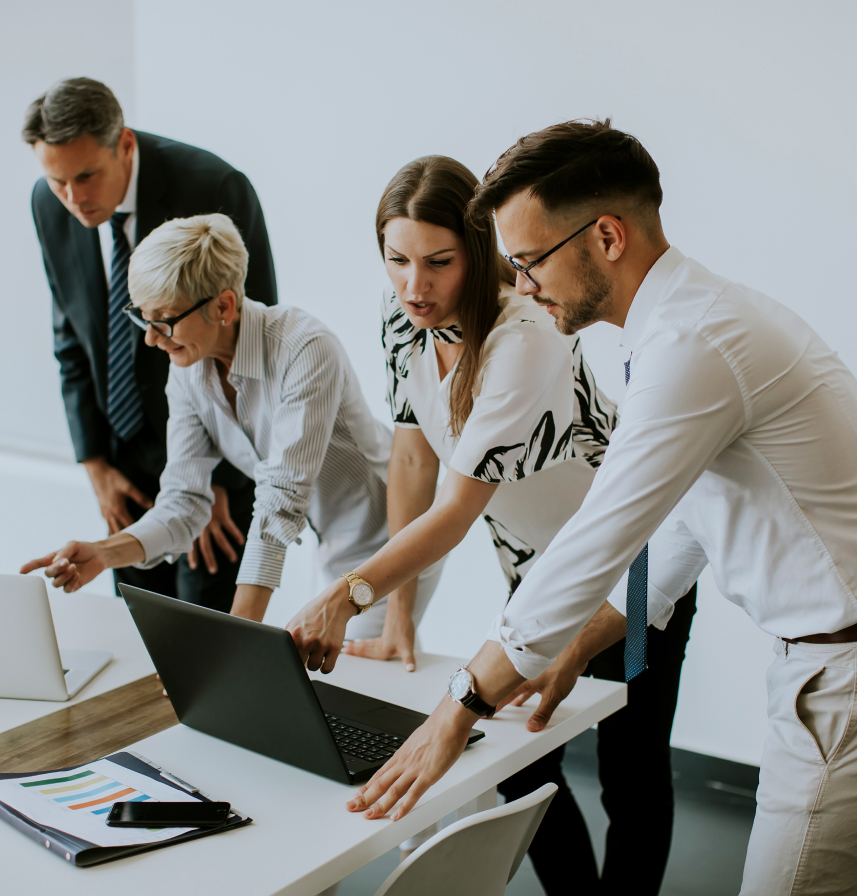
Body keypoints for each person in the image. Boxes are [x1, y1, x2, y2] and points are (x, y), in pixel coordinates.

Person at [293, 120, 857, 896]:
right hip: (803, 647)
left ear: (606, 236)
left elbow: (603, 535)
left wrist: (458, 705)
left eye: (530, 259)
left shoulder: (687, 345)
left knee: (634, 764)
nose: (525, 282)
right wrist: (583, 637)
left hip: (843, 665)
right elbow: (682, 520)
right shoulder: (684, 329)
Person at [289, 154, 697, 893]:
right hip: (537, 575)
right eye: (397, 261)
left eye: (439, 262)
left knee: (630, 768)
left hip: (637, 569)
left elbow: (452, 510)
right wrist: (398, 618)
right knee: (518, 757)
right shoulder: (405, 321)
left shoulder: (528, 337)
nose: (415, 286)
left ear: (479, 252)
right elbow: (411, 463)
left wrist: (346, 594)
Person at [20, 213, 428, 628]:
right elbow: (183, 502)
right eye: (143, 317)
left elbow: (279, 502)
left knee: (354, 678)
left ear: (223, 306)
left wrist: (232, 643)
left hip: (395, 535)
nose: (150, 337)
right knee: (332, 681)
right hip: (332, 543)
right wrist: (105, 552)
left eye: (164, 319)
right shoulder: (186, 369)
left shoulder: (304, 348)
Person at [23, 77, 277, 612]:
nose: (74, 198)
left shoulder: (215, 189)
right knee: (143, 627)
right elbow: (69, 335)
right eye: (58, 181)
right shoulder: (50, 206)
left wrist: (220, 484)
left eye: (87, 176)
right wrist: (95, 464)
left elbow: (256, 342)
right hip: (124, 457)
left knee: (209, 636)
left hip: (215, 454)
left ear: (126, 145)